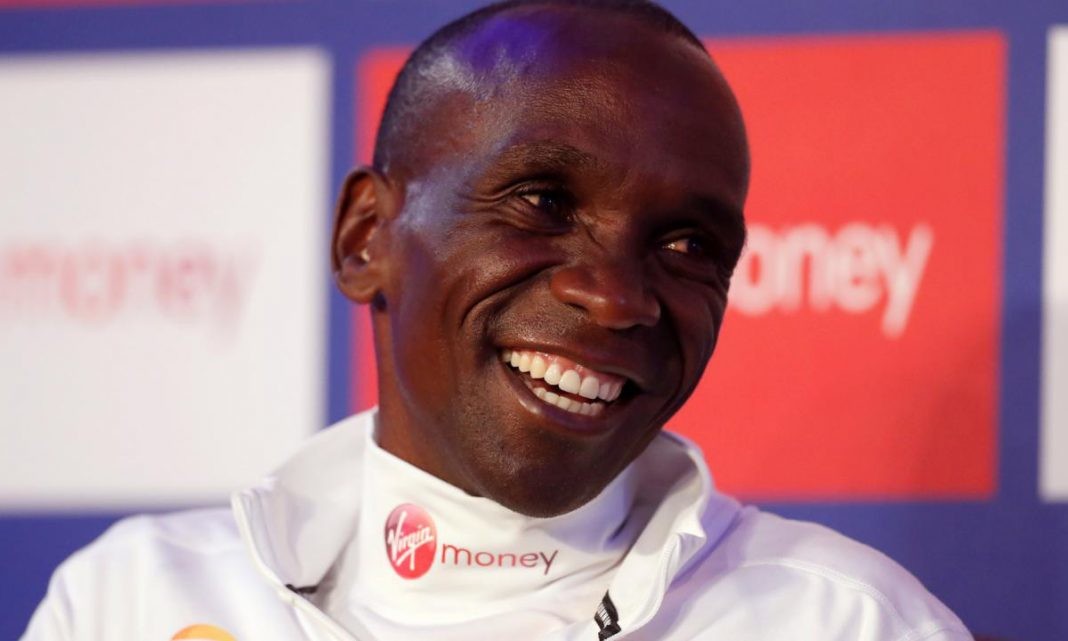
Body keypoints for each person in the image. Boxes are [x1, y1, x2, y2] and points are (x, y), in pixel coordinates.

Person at [22, 1, 973, 640]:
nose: (618, 297)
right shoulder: (132, 600)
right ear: (365, 239)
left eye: (687, 245)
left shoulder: (850, 623)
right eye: (542, 202)